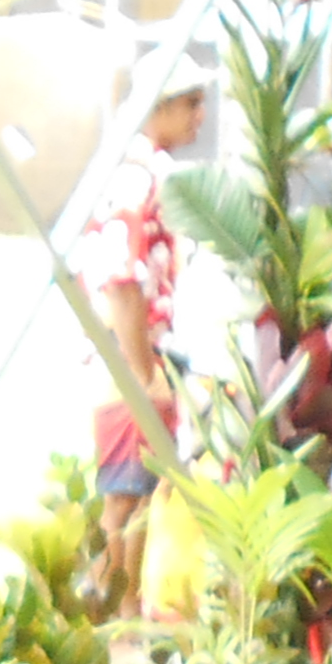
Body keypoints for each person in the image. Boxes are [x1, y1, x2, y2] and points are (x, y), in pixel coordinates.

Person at [72, 54, 210, 603]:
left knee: (141, 493)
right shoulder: (138, 177)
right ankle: (118, 619)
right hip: (130, 352)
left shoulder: (140, 169)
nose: (201, 115)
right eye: (192, 103)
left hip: (139, 350)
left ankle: (123, 613)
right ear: (162, 105)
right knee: (128, 495)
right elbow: (121, 282)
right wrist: (142, 371)